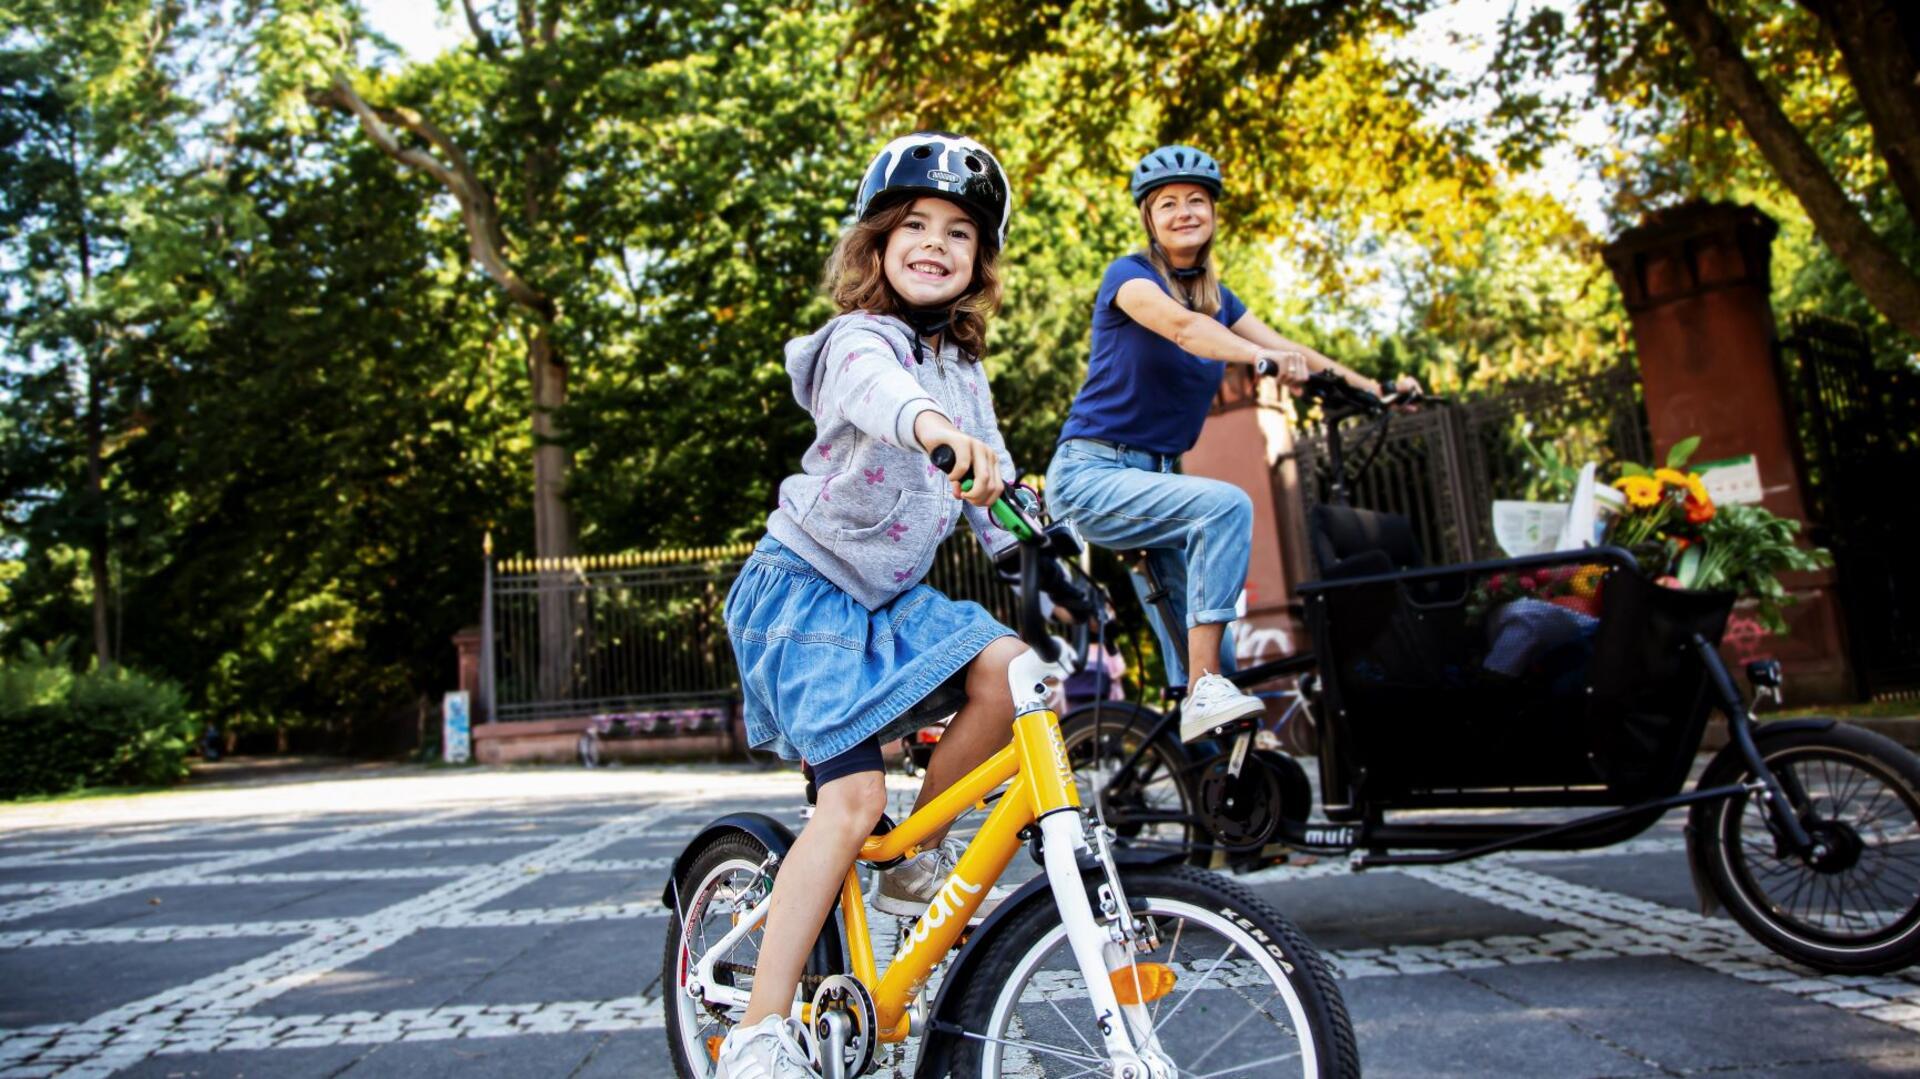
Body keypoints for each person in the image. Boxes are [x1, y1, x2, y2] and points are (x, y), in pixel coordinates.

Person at [714, 132, 1035, 1079]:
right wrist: (933, 428)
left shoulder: (965, 375)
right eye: (917, 225)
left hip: (889, 604)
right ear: (880, 243)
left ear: (978, 263)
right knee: (850, 798)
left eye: (961, 234)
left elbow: (1000, 490)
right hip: (802, 596)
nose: (937, 243)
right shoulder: (861, 341)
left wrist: (1039, 545)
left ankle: (910, 861)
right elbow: (881, 392)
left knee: (1016, 669)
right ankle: (762, 1032)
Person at [1046, 144, 1418, 743]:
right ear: (1149, 219)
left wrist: (1373, 389)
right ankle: (1203, 695)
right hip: (1092, 476)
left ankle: (1226, 772)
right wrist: (1263, 359)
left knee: (1216, 654)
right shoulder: (1129, 277)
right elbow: (1183, 329)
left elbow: (1293, 349)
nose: (1184, 211)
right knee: (1225, 505)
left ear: (1214, 213)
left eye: (1196, 200)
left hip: (1156, 485)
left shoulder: (1220, 300)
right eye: (1168, 204)